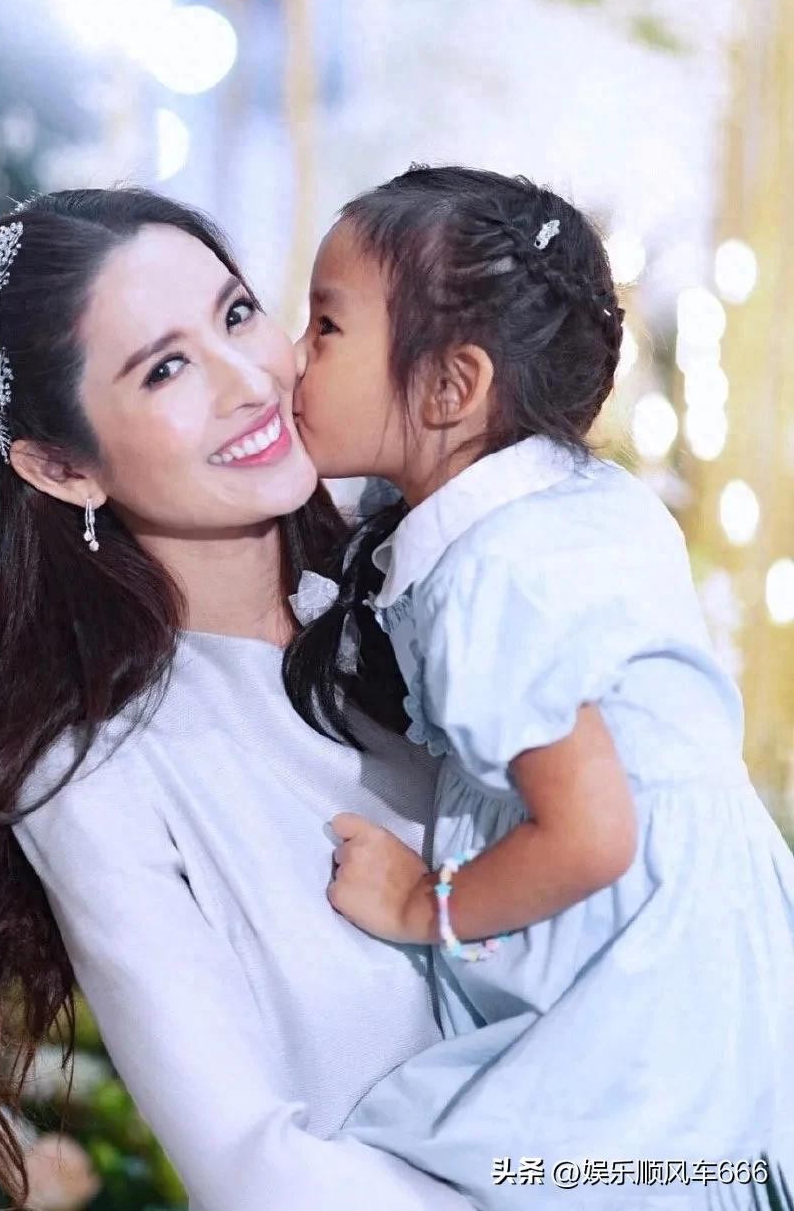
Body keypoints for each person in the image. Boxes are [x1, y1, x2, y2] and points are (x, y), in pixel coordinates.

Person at [0, 187, 475, 1211]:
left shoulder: (438, 586)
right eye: (166, 368)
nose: (249, 380)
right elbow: (250, 1165)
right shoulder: (94, 775)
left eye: (237, 314)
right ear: (61, 466)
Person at [285, 164, 794, 1208]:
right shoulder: (572, 500)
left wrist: (423, 905)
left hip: (638, 977)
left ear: (451, 387)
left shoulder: (495, 578)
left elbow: (591, 836)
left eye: (325, 327)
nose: (293, 358)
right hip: (712, 926)